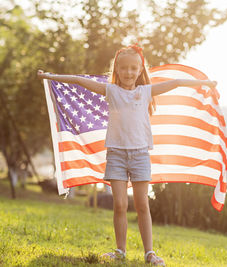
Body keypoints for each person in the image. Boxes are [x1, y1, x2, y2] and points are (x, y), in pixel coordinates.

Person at [37, 44, 217, 266]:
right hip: (117, 156)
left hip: (140, 155)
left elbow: (177, 83)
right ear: (117, 70)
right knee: (120, 205)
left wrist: (205, 84)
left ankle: (149, 253)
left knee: (142, 205)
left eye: (134, 68)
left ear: (140, 69)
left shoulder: (146, 91)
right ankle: (120, 251)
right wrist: (50, 77)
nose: (129, 73)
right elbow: (79, 81)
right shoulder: (111, 91)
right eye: (124, 68)